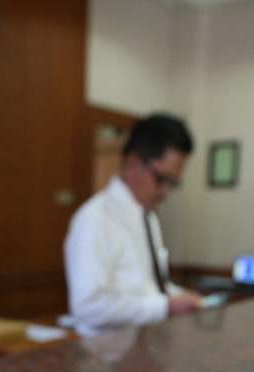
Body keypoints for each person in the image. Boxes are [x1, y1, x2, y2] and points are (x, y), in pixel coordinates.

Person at [64, 114, 203, 337]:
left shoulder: (147, 216)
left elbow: (147, 288)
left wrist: (180, 297)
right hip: (105, 357)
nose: (166, 192)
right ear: (132, 162)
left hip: (145, 346)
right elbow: (88, 307)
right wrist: (165, 305)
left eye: (173, 183)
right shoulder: (95, 219)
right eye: (162, 179)